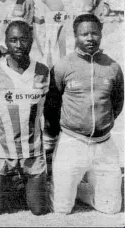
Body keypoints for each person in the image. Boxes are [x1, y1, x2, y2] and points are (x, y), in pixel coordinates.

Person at [45, 14, 123, 214]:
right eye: (84, 34)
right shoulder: (62, 66)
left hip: (104, 144)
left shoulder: (113, 67)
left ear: (101, 33)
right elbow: (52, 105)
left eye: (94, 33)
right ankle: (66, 186)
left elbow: (117, 103)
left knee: (112, 209)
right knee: (62, 209)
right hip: (72, 141)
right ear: (75, 36)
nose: (90, 38)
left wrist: (101, 123)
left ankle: (81, 188)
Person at [0, 20, 49, 215]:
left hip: (33, 149)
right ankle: (10, 180)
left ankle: (27, 181)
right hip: (2, 148)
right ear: (5, 42)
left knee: (38, 210)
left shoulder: (42, 71)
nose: (19, 45)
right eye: (13, 40)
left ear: (31, 41)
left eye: (24, 39)